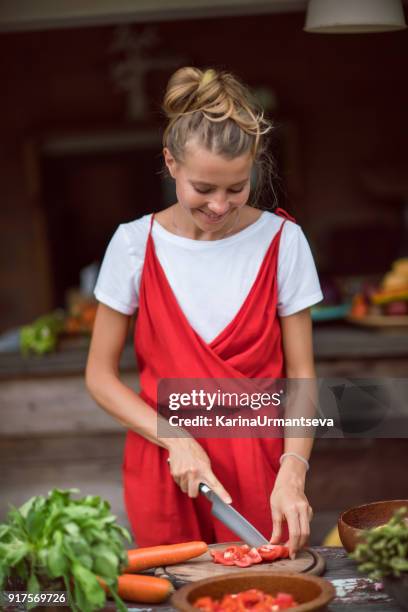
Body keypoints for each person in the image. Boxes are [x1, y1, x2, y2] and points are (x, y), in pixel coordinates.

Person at [86, 66, 323, 558]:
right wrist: (176, 439)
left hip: (262, 464)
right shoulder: (134, 244)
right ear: (170, 163)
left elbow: (301, 375)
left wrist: (293, 470)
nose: (220, 206)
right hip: (165, 461)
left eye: (236, 188)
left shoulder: (284, 242)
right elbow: (100, 377)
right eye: (203, 189)